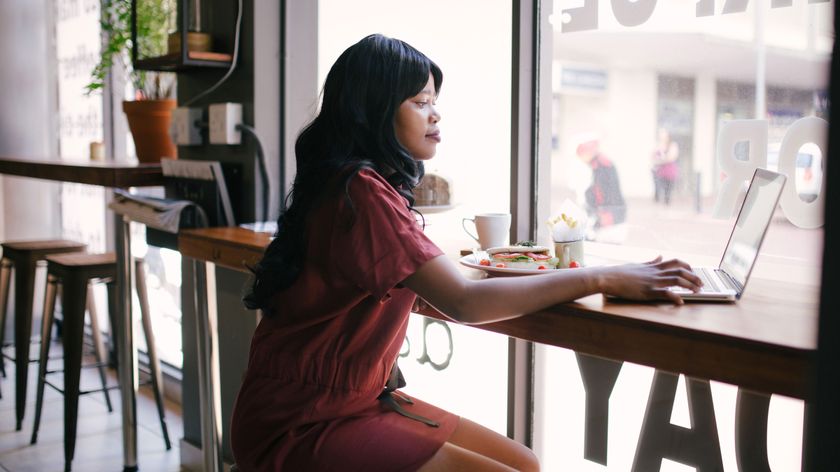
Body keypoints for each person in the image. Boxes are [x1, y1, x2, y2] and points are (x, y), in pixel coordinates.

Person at [230, 34, 702, 472]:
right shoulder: (362, 191)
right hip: (303, 420)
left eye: (435, 102)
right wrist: (601, 278)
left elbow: (436, 292)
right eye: (421, 102)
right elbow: (464, 302)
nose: (436, 115)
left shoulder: (353, 184)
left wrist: (516, 279)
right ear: (373, 110)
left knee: (526, 464)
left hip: (336, 400)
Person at [575, 136, 627, 230]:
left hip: (609, 210)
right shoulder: (596, 164)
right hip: (605, 210)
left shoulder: (602, 165)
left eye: (582, 154)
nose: (581, 158)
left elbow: (607, 191)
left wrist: (604, 214)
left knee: (607, 238)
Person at [651, 127, 680, 205]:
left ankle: (666, 204)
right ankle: (658, 202)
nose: (662, 138)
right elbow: (653, 156)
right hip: (659, 171)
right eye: (661, 136)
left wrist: (661, 160)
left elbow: (671, 157)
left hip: (669, 171)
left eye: (664, 136)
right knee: (659, 188)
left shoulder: (672, 145)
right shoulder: (658, 145)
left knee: (668, 190)